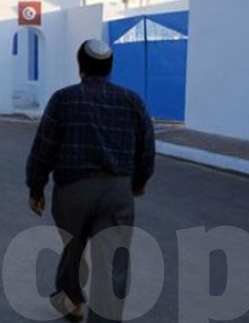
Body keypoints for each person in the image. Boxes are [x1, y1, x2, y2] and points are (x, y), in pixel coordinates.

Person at [24, 39, 155, 323]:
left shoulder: (63, 99)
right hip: (117, 192)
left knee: (72, 248)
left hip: (71, 191)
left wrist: (36, 187)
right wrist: (139, 182)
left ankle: (71, 300)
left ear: (80, 66)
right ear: (110, 67)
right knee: (112, 262)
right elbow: (146, 147)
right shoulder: (132, 101)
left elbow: (44, 147)